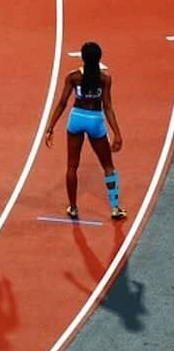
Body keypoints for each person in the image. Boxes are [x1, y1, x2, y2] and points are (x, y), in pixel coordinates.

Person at [43, 42, 126, 220]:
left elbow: (62, 102)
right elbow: (108, 107)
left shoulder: (73, 77)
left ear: (82, 57)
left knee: (72, 166)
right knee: (108, 166)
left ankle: (73, 208)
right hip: (95, 120)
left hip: (76, 119)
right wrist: (117, 133)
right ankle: (115, 208)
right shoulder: (105, 79)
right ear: (99, 58)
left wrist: (50, 127)